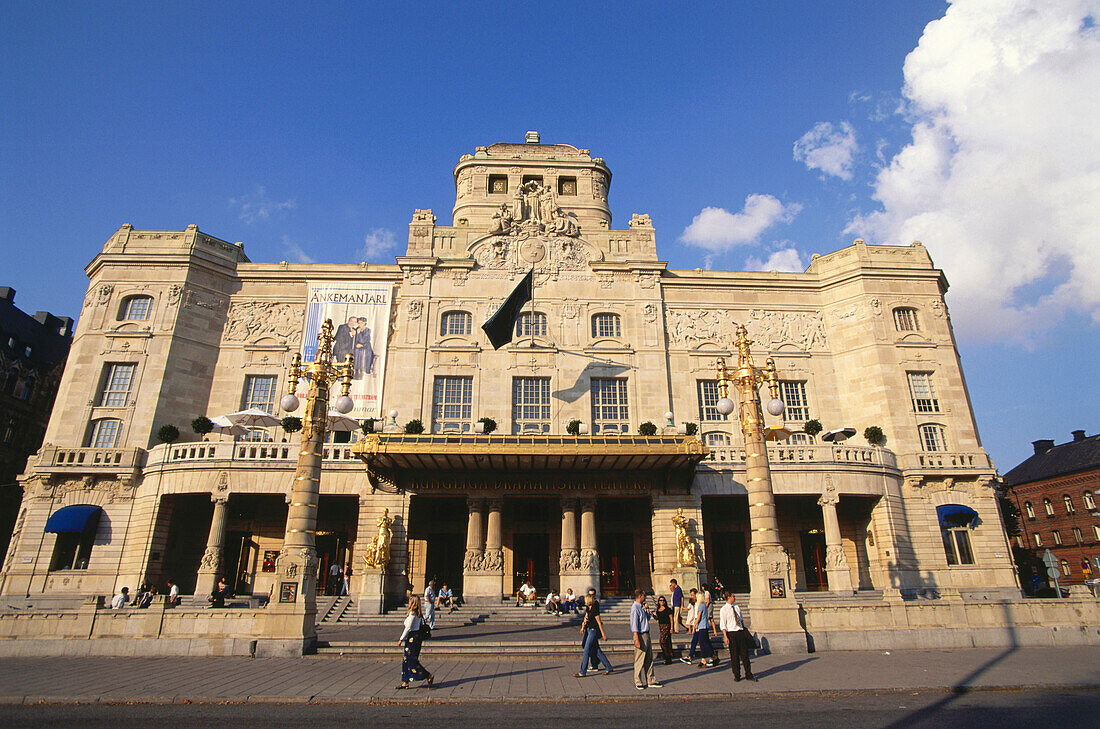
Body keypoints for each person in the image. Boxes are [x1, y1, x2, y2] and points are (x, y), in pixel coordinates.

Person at [396, 596, 434, 690]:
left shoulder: (412, 614)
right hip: (417, 638)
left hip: (412, 638)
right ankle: (405, 682)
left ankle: (428, 675)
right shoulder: (418, 614)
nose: (408, 601)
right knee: (406, 660)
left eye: (409, 600)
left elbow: (408, 628)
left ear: (412, 602)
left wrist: (401, 639)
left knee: (410, 660)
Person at [720, 591, 757, 682]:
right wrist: (725, 636)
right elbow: (723, 624)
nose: (735, 598)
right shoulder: (723, 609)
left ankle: (748, 673)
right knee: (734, 656)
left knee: (745, 655)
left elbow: (741, 620)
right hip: (731, 633)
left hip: (740, 632)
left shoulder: (736, 607)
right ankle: (737, 675)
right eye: (733, 596)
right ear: (728, 597)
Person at [573, 593, 613, 678]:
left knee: (586, 650)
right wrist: (583, 627)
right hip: (588, 630)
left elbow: (599, 622)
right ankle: (608, 667)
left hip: (593, 631)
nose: (584, 601)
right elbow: (586, 617)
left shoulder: (594, 609)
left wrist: (603, 634)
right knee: (597, 650)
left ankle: (582, 671)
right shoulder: (588, 608)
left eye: (585, 600)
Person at [630, 589, 662, 690]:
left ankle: (651, 680)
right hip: (640, 635)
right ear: (640, 596)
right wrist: (637, 639)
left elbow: (646, 619)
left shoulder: (641, 608)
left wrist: (647, 609)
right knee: (640, 659)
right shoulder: (635, 608)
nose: (645, 597)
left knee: (649, 658)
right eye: (644, 595)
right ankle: (638, 681)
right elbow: (634, 625)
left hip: (646, 635)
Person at [681, 588, 717, 667]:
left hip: (701, 626)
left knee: (703, 643)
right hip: (702, 626)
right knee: (704, 642)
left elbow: (699, 616)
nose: (694, 597)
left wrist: (694, 625)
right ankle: (707, 658)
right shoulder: (702, 605)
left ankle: (709, 657)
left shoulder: (701, 605)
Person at [654, 595, 675, 664]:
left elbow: (671, 619)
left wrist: (672, 628)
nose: (662, 602)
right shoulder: (658, 610)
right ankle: (667, 656)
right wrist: (652, 615)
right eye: (660, 600)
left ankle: (667, 657)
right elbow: (657, 618)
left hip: (666, 626)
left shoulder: (668, 609)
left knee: (662, 641)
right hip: (661, 626)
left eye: (663, 600)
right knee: (666, 642)